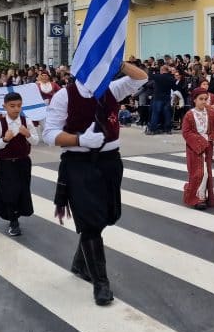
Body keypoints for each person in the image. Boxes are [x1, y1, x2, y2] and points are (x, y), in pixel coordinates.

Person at [43, 61, 148, 306]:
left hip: (110, 161)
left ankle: (80, 262)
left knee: (107, 216)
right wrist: (80, 139)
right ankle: (101, 282)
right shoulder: (64, 96)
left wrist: (116, 60)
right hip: (80, 164)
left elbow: (141, 79)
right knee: (90, 221)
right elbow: (49, 134)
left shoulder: (111, 88)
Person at [0, 92, 38, 237]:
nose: (16, 109)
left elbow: (35, 140)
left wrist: (27, 135)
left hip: (23, 163)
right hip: (6, 165)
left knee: (21, 190)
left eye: (19, 106)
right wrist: (5, 140)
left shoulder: (26, 122)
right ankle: (13, 221)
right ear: (5, 106)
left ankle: (17, 214)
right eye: (12, 106)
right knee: (9, 192)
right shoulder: (0, 123)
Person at [181, 87, 214, 210]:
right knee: (197, 172)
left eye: (205, 99)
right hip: (194, 147)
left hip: (207, 146)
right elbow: (186, 132)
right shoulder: (189, 114)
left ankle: (201, 196)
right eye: (201, 99)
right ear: (194, 100)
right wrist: (200, 141)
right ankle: (196, 198)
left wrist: (213, 136)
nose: (203, 101)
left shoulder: (210, 112)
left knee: (206, 173)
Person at [145, 65, 176, 135]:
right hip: (167, 98)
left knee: (155, 113)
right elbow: (174, 88)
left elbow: (148, 74)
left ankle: (152, 129)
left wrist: (152, 67)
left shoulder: (158, 76)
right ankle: (168, 129)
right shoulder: (171, 78)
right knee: (167, 114)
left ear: (162, 70)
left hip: (158, 97)